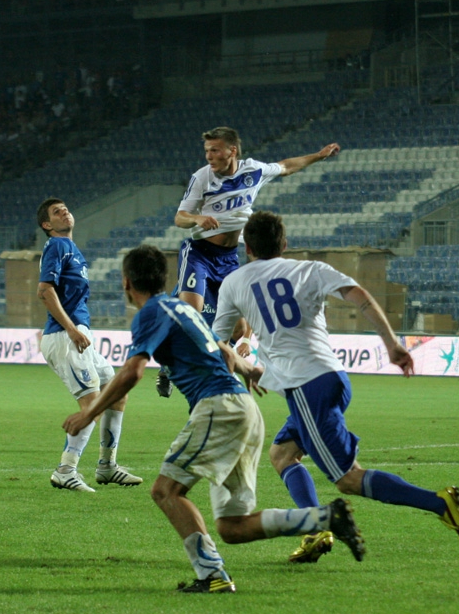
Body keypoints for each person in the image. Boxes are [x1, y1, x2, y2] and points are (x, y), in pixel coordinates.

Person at [63, 244, 365, 594]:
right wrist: (250, 370)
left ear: (126, 282)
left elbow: (132, 371)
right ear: (164, 279)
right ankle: (325, 518)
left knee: (166, 491)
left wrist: (90, 412)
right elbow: (222, 348)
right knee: (232, 527)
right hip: (244, 409)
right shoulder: (182, 308)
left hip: (218, 407)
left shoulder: (151, 312)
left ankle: (212, 575)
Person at [212, 211, 459, 563]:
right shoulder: (310, 269)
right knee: (282, 454)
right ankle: (315, 532)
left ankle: (438, 503)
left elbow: (217, 343)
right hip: (332, 377)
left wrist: (241, 365)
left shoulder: (234, 282)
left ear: (248, 247)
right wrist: (392, 343)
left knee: (348, 479)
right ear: (285, 244)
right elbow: (358, 294)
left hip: (307, 389)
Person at [158, 127, 340, 396]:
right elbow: (180, 217)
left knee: (239, 328)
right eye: (207, 150)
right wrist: (197, 219)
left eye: (215, 150)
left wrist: (318, 155)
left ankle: (219, 366)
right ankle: (170, 365)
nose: (209, 156)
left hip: (229, 258)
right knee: (192, 314)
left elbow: (286, 166)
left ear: (232, 151)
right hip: (199, 253)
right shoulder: (202, 178)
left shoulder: (253, 171)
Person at [37, 197, 141, 492]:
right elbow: (44, 290)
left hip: (80, 337)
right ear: (47, 225)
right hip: (64, 337)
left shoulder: (72, 249)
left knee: (116, 393)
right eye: (57, 212)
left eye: (67, 208)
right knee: (93, 403)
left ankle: (107, 466)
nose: (65, 213)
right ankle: (65, 469)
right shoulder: (57, 246)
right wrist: (71, 328)